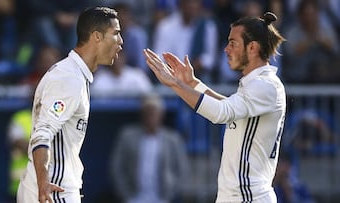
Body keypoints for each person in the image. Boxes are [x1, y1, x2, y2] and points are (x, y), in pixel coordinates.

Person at [144, 12, 286, 203]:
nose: (226, 49)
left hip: (249, 197)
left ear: (252, 48)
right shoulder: (258, 84)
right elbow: (227, 107)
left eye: (233, 43)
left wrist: (175, 85)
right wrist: (192, 83)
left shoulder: (265, 85)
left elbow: (221, 113)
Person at [16, 6, 123, 203]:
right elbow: (42, 133)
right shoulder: (69, 79)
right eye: (116, 34)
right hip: (54, 189)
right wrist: (44, 182)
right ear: (97, 37)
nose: (121, 42)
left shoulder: (74, 74)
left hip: (52, 187)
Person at [110, 93, 189, 203]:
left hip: (162, 198)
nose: (151, 116)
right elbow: (117, 166)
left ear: (161, 114)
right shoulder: (127, 136)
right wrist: (126, 195)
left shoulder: (173, 139)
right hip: (134, 198)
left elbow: (182, 169)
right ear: (142, 114)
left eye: (154, 112)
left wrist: (170, 193)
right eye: (148, 112)